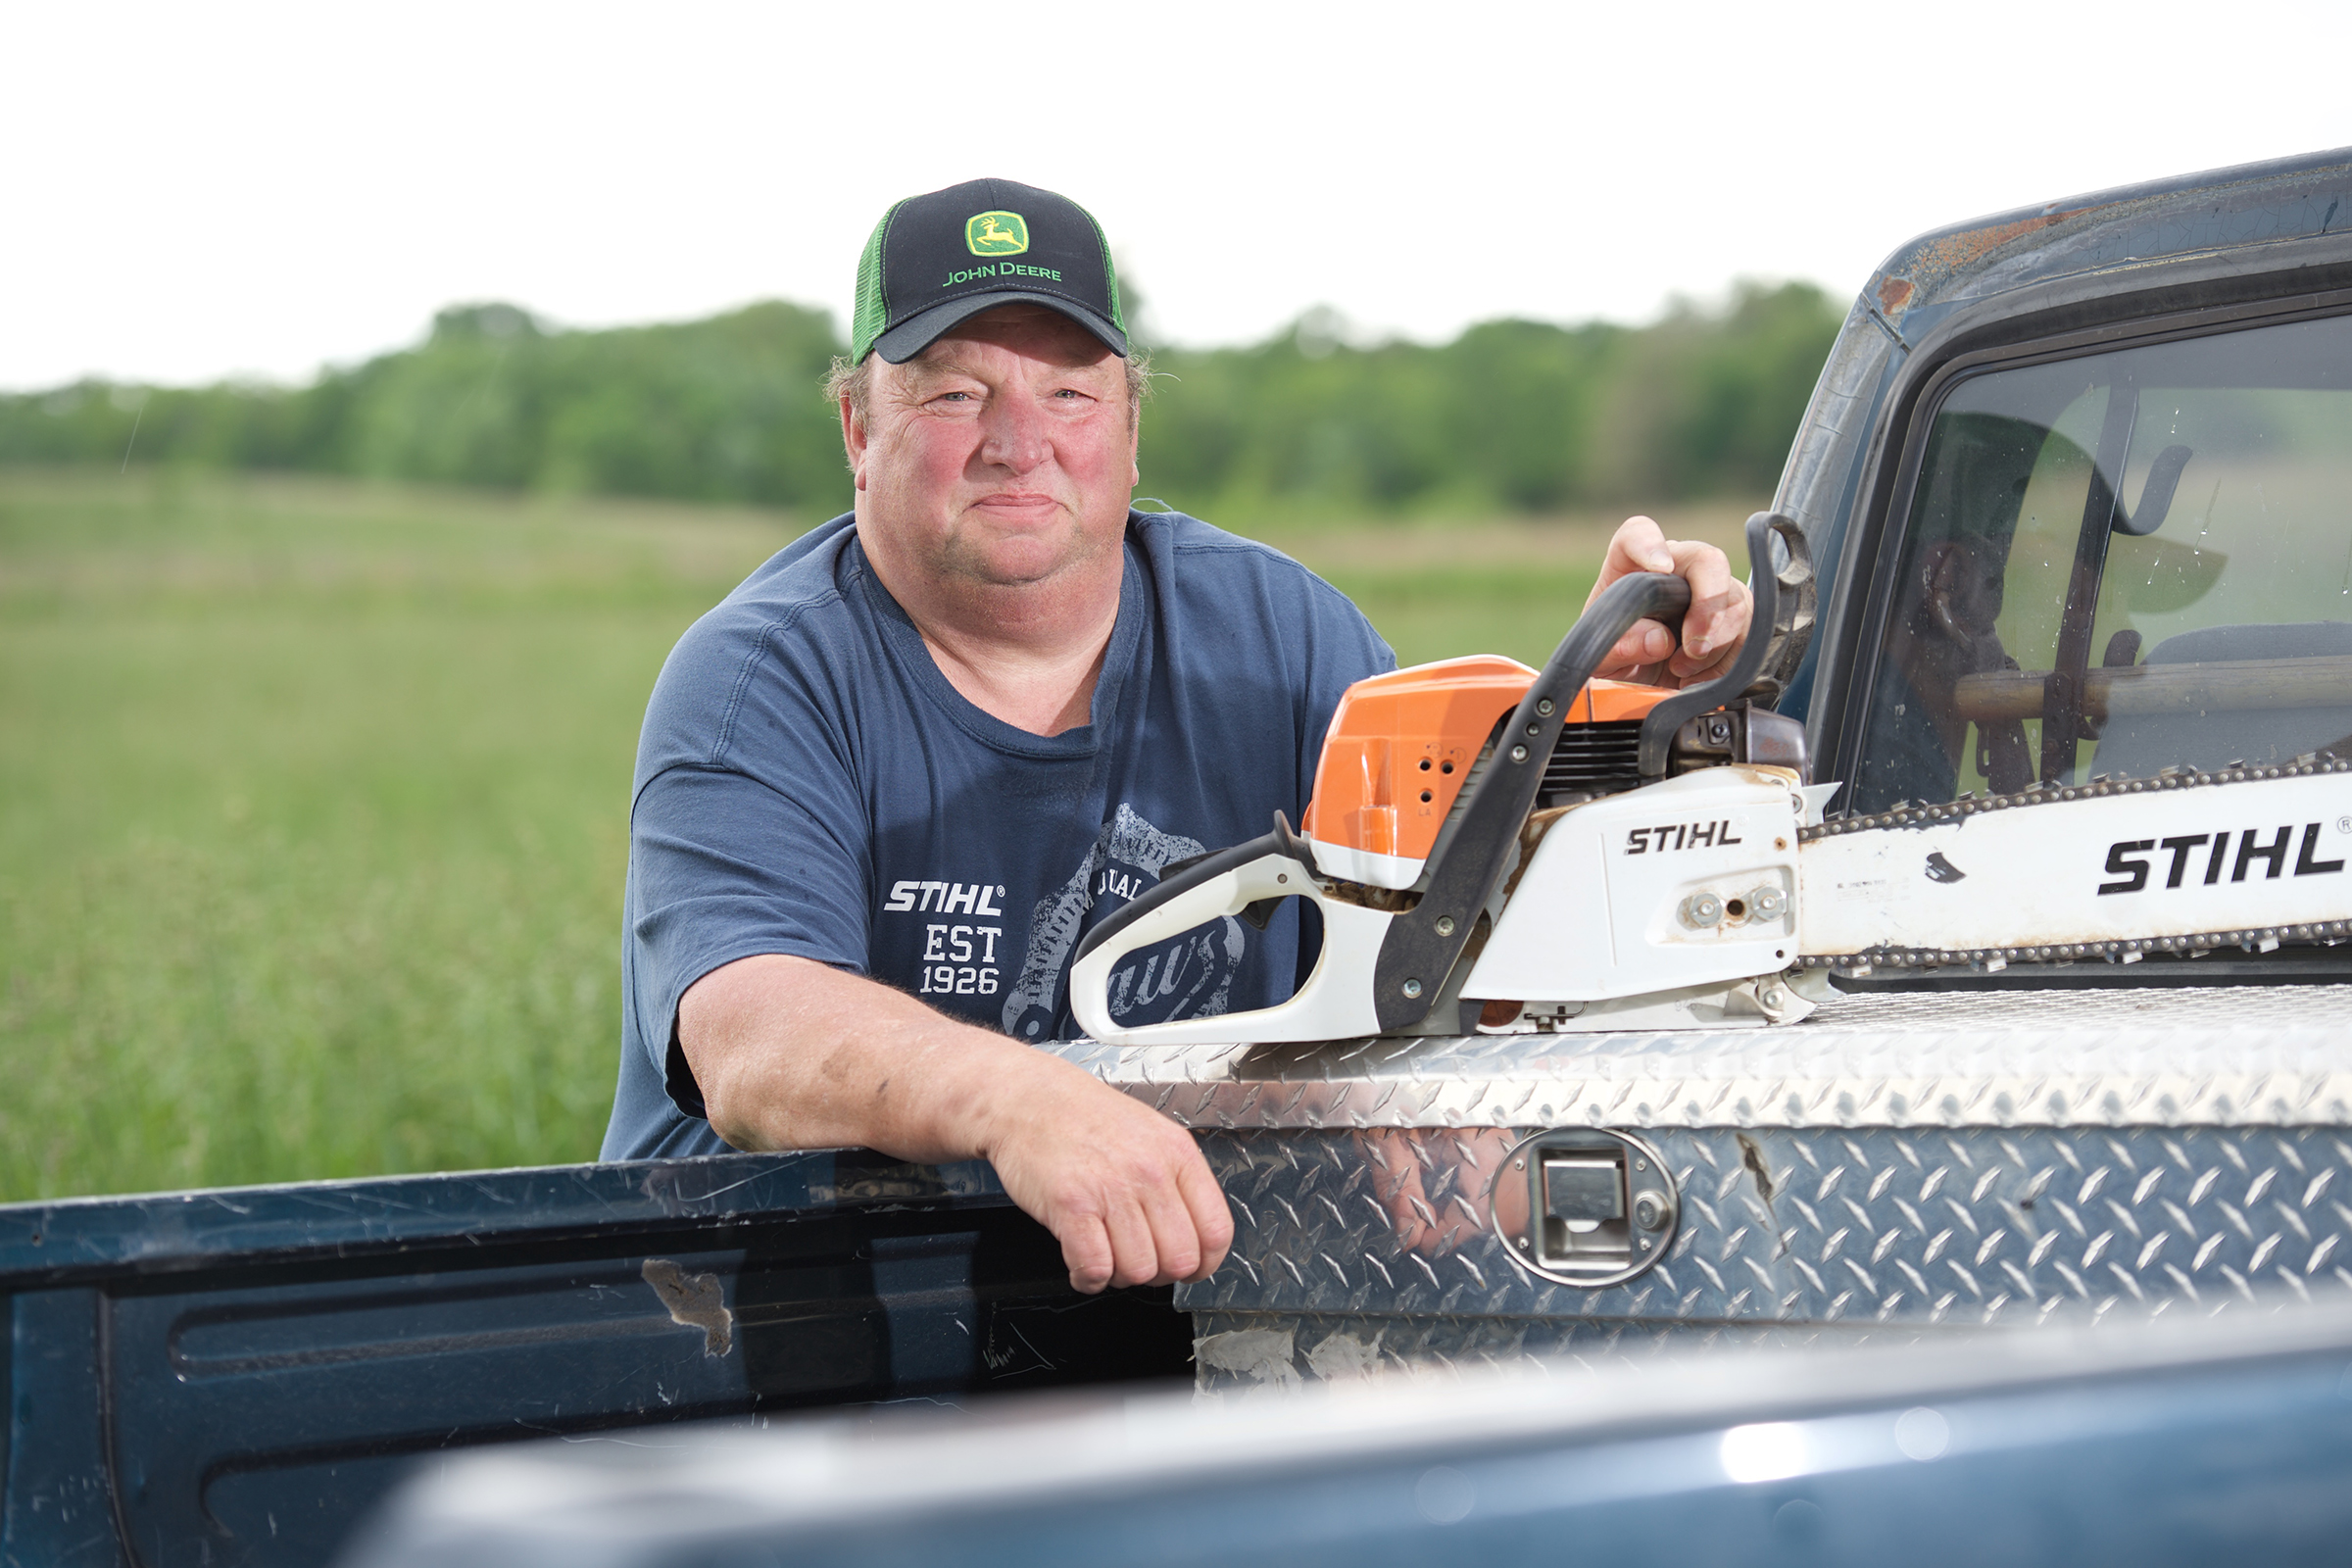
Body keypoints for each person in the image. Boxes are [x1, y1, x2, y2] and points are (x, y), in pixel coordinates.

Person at [600, 177, 1753, 1295]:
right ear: (859, 425)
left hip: (1200, 1289)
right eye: (954, 394)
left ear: (1130, 428)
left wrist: (1593, 719)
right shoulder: (763, 677)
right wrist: (1025, 1102)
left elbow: (1455, 915)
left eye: (1070, 393)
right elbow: (752, 1038)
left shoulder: (1282, 634)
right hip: (795, 1314)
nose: (1018, 440)